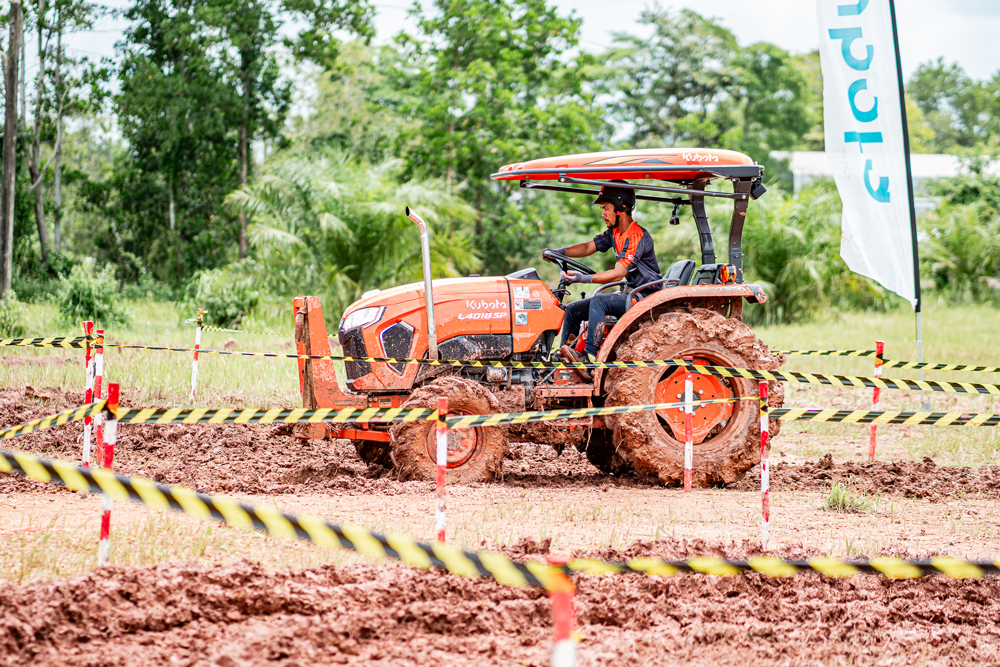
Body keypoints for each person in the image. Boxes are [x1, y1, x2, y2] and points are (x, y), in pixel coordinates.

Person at [543, 180, 663, 380]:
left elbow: (618, 273)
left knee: (599, 302)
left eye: (606, 208)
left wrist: (584, 278)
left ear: (620, 208)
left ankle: (589, 358)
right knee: (573, 310)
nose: (603, 214)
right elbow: (589, 247)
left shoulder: (637, 236)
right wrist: (559, 252)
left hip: (644, 296)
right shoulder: (615, 232)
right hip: (629, 293)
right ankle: (565, 356)